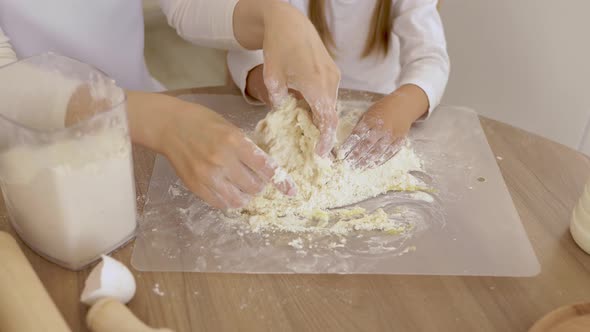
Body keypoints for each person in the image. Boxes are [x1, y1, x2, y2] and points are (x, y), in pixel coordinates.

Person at [0, 0, 341, 209]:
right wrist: (159, 122)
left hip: (143, 129)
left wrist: (272, 15)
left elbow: (189, 3)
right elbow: (8, 82)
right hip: (27, 156)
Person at [228, 0, 449, 168]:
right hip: (294, 99)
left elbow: (430, 59)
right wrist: (274, 90)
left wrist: (404, 106)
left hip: (379, 114)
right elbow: (243, 50)